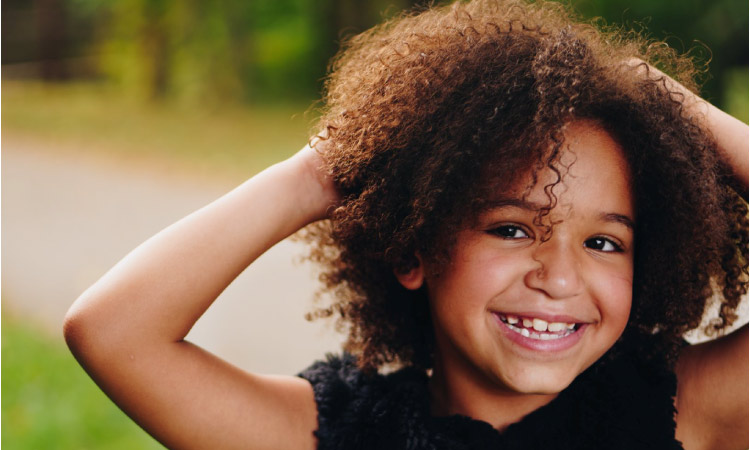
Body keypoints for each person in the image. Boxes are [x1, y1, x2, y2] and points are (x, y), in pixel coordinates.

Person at [63, 0, 748, 448]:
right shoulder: (333, 433)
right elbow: (112, 333)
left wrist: (674, 105)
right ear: (413, 247)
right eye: (511, 228)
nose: (560, 277)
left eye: (604, 242)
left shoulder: (684, 413)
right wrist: (326, 170)